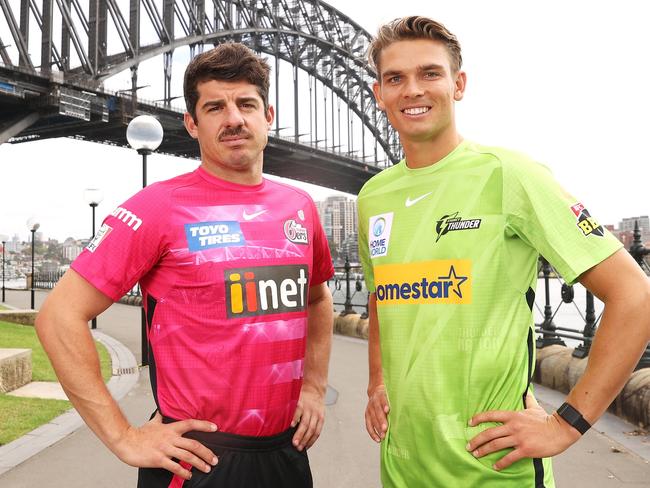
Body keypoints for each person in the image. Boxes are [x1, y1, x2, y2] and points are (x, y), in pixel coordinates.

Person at [357, 15, 650, 488]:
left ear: (459, 84)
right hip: (403, 466)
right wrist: (377, 383)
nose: (412, 89)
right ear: (379, 93)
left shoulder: (509, 174)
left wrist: (565, 424)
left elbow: (635, 295)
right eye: (396, 78)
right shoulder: (373, 197)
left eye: (429, 73)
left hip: (492, 471)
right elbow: (380, 297)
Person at [36, 42, 334, 488]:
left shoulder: (299, 206)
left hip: (285, 455)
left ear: (267, 116)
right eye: (215, 107)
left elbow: (318, 297)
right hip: (197, 462)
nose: (234, 119)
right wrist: (123, 437)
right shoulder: (158, 206)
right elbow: (59, 316)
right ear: (192, 124)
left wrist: (313, 386)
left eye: (246, 104)